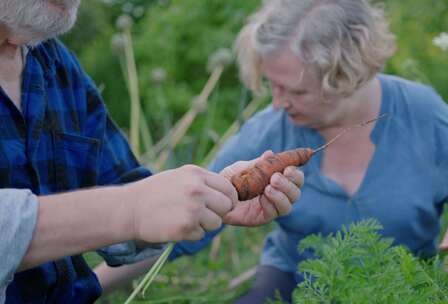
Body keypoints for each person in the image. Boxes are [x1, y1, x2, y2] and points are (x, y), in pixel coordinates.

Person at [95, 0, 448, 303]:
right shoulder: (269, 133)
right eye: (272, 85)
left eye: (294, 90)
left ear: (346, 75)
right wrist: (90, 288)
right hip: (294, 283)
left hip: (401, 285)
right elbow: (190, 219)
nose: (277, 102)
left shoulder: (421, 112)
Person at [0, 1, 305, 303]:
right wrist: (131, 208)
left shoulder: (56, 64)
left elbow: (124, 194)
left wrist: (216, 196)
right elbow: (127, 205)